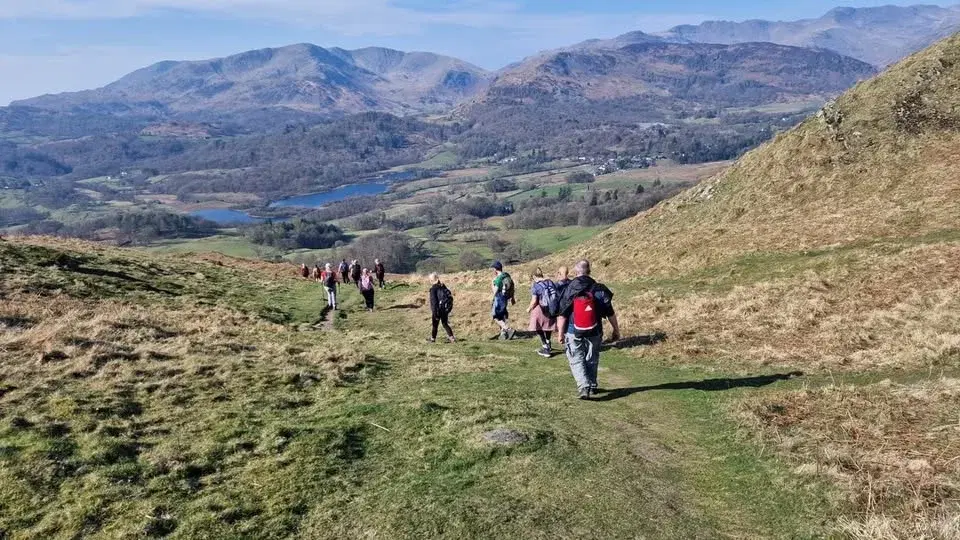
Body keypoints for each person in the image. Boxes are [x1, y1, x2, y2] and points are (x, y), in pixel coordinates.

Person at [556, 260, 621, 400]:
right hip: (595, 328)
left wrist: (560, 333)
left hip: (574, 329)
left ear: (575, 271)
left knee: (575, 357)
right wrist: (616, 329)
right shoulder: (599, 288)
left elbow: (562, 314)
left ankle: (583, 386)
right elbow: (610, 312)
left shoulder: (570, 288)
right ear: (589, 271)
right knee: (592, 357)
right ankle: (591, 385)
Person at [527, 268, 558, 357]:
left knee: (538, 327)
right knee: (548, 327)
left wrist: (529, 308)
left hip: (541, 309)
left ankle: (545, 347)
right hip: (551, 308)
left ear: (533, 276)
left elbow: (534, 300)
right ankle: (548, 343)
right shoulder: (550, 282)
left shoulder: (536, 286)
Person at [491, 261, 516, 340]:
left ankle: (508, 329)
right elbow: (512, 287)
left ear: (495, 269)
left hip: (499, 298)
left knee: (495, 316)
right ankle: (503, 334)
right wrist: (512, 297)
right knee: (502, 316)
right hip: (505, 298)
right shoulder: (506, 276)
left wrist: (492, 284)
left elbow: (495, 291)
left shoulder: (498, 279)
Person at [428, 273, 456, 343]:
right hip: (444, 309)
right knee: (445, 324)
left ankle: (432, 339)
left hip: (437, 310)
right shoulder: (443, 286)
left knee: (435, 325)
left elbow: (434, 302)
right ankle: (452, 338)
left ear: (431, 280)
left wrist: (435, 313)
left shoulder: (433, 289)